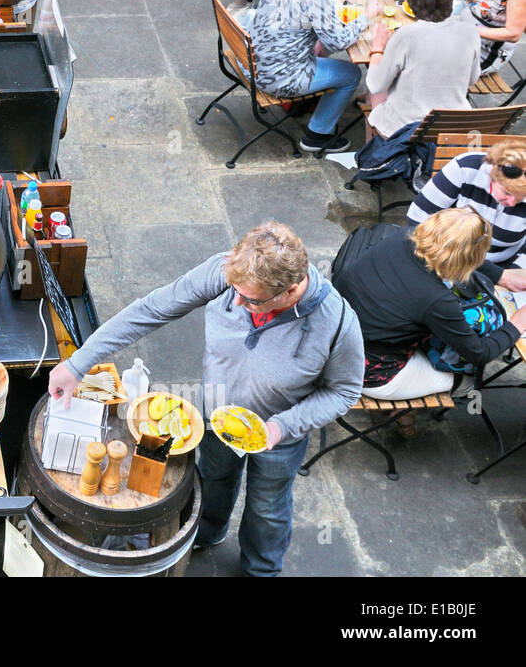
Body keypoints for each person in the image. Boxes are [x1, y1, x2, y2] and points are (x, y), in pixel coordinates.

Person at [48, 221, 363, 577]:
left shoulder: (336, 323)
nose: (237, 303)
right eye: (235, 292)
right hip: (215, 412)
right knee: (213, 479)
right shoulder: (227, 273)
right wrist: (77, 364)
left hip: (279, 432)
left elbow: (344, 391)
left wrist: (280, 428)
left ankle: (261, 570)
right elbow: (150, 310)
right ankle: (208, 532)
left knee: (268, 508)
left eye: (251, 300)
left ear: (291, 290)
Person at [334, 210, 522, 434]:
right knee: (469, 381)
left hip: (336, 343)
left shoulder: (403, 237)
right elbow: (479, 353)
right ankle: (403, 411)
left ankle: (405, 413)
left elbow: (454, 252)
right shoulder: (436, 299)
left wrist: (502, 276)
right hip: (369, 374)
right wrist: (517, 324)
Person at [250, 0, 378, 154]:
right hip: (280, 77)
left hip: (254, 60)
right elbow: (337, 41)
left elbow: (297, 8)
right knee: (351, 73)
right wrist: (365, 17)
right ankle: (318, 135)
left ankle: (316, 118)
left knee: (323, 48)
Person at [363, 0, 479, 140]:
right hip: (452, 127)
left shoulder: (406, 35)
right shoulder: (470, 31)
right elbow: (472, 79)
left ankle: (375, 156)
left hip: (405, 130)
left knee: (372, 93)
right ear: (451, 1)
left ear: (412, 1)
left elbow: (376, 84)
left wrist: (378, 48)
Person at [408, 135, 526, 288]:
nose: (511, 203)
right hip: (445, 259)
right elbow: (416, 223)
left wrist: (514, 273)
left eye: (521, 197)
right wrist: (495, 275)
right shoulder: (465, 168)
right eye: (507, 193)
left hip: (505, 267)